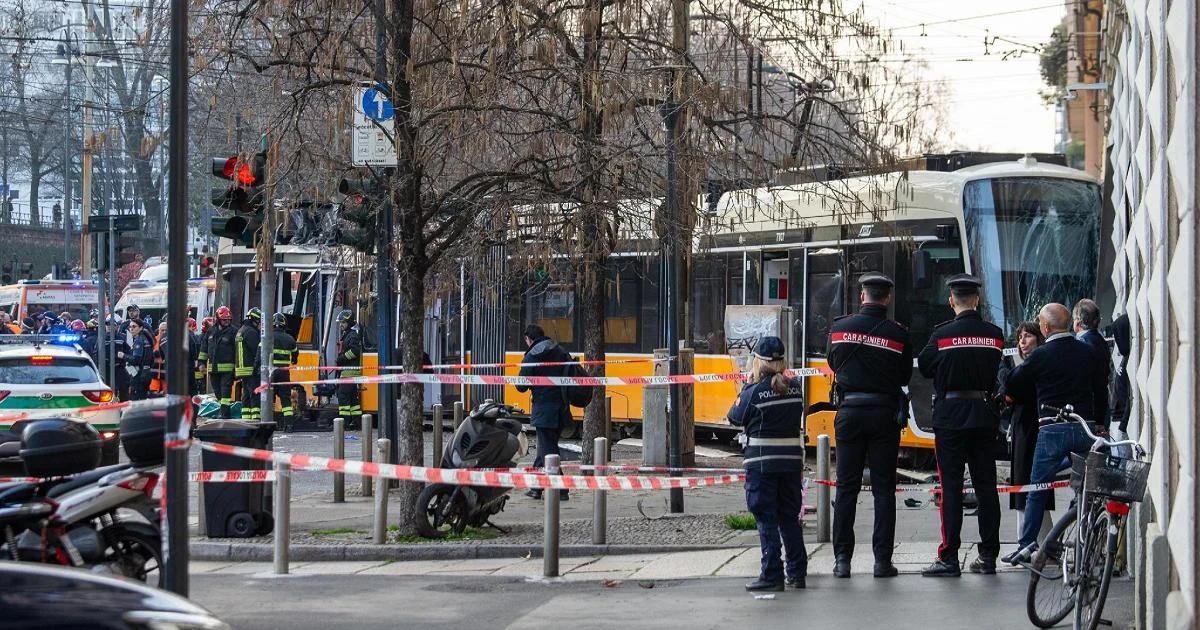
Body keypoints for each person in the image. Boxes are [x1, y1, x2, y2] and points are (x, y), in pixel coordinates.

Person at [1001, 303, 1107, 565]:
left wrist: (1004, 373)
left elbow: (1014, 382)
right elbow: (1101, 389)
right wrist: (1100, 422)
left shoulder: (1041, 355)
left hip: (1051, 428)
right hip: (1085, 427)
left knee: (1037, 487)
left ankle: (1027, 544)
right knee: (1085, 488)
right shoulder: (1086, 351)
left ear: (1045, 328)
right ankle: (1085, 538)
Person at [917, 274, 1005, 577]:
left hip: (950, 417)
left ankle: (949, 557)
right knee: (986, 487)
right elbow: (997, 368)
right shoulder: (994, 335)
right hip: (983, 415)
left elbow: (926, 366)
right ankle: (989, 556)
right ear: (977, 300)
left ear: (951, 300)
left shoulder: (941, 335)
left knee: (951, 488)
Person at [827, 272, 912, 578]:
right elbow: (904, 377)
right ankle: (881, 562)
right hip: (883, 415)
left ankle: (842, 561)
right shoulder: (898, 334)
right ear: (887, 299)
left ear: (863, 296)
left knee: (846, 487)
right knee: (883, 490)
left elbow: (833, 364)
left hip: (849, 412)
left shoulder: (840, 328)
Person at [727, 336, 807, 591]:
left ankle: (772, 574)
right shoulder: (797, 389)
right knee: (789, 519)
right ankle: (797, 573)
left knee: (766, 519)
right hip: (792, 463)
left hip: (762, 465)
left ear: (758, 363)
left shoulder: (753, 393)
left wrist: (746, 387)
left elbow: (734, 418)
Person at [997, 322, 1054, 527]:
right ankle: (1038, 539)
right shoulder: (1036, 362)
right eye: (1020, 336)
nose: (1022, 341)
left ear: (1039, 338)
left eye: (1028, 336)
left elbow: (1011, 384)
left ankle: (1032, 541)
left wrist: (1001, 368)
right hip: (1025, 426)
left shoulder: (1034, 363)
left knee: (1027, 483)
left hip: (1031, 429)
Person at [515, 324, 572, 501]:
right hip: (561, 409)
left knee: (548, 451)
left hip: (544, 410)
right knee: (545, 449)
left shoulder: (532, 355)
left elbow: (521, 386)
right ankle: (537, 488)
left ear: (528, 339)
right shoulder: (560, 350)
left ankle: (561, 489)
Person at [1073, 298, 1110, 423]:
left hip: (1088, 410)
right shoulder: (1100, 340)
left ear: (1078, 322)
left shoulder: (1083, 343)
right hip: (1099, 407)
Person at [203, 306, 239, 418]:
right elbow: (204, 347)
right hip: (213, 369)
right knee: (218, 392)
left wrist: (236, 368)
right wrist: (201, 362)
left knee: (225, 392)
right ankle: (224, 411)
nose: (227, 321)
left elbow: (238, 351)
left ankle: (224, 413)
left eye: (228, 319)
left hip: (228, 369)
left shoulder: (234, 332)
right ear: (218, 319)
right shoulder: (211, 331)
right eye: (224, 319)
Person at [1103, 313, 1131, 439]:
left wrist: (1122, 426)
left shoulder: (1130, 363)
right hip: (1116, 421)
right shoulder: (1125, 360)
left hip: (1121, 422)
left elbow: (1131, 396)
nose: (1115, 338)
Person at [334, 309, 363, 429]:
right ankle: (356, 422)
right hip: (348, 373)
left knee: (342, 396)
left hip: (349, 373)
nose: (341, 325)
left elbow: (355, 351)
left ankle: (344, 423)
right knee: (353, 400)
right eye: (340, 322)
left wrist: (342, 358)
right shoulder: (347, 335)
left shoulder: (352, 335)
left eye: (343, 322)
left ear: (349, 322)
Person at [270, 313, 299, 430]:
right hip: (284, 372)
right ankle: (289, 425)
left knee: (269, 399)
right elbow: (295, 353)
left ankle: (270, 424)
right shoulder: (290, 338)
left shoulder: (268, 337)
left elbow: (260, 352)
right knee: (285, 399)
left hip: (270, 372)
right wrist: (294, 360)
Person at [235, 308, 263, 421]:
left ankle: (246, 418)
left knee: (246, 394)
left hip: (242, 369)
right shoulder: (251, 332)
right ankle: (256, 418)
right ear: (254, 320)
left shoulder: (241, 330)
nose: (260, 324)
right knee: (255, 393)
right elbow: (256, 350)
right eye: (259, 321)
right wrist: (258, 366)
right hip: (250, 368)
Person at [126, 319, 155, 400]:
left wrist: (124, 356)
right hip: (146, 373)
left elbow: (136, 359)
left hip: (139, 375)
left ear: (141, 328)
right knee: (143, 398)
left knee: (135, 400)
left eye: (134, 326)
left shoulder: (139, 340)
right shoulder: (146, 338)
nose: (131, 329)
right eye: (130, 327)